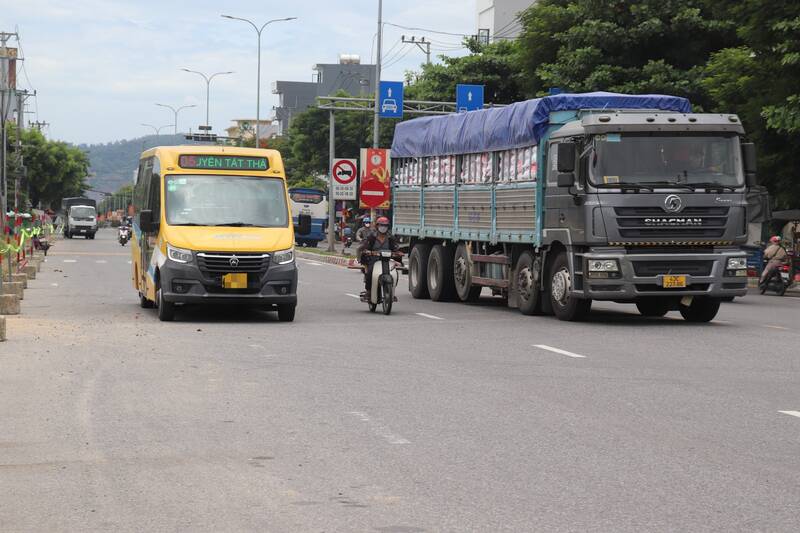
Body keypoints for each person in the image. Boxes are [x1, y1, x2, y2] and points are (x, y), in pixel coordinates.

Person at [357, 216, 400, 299]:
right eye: (381, 225)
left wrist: (398, 252)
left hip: (387, 259)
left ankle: (391, 291)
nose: (383, 227)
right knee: (370, 273)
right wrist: (367, 251)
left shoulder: (390, 237)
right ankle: (369, 291)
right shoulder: (372, 236)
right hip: (374, 259)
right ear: (377, 226)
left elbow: (395, 247)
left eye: (385, 226)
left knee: (395, 274)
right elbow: (365, 246)